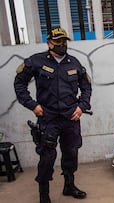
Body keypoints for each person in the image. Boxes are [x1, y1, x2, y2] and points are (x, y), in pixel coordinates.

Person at [14, 27, 92, 203]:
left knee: (71, 153)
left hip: (71, 118)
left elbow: (86, 87)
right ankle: (44, 196)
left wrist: (82, 107)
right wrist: (32, 105)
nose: (62, 45)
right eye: (58, 42)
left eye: (64, 42)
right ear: (49, 43)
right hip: (48, 118)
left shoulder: (74, 63)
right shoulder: (36, 61)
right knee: (47, 157)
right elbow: (19, 83)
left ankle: (69, 186)